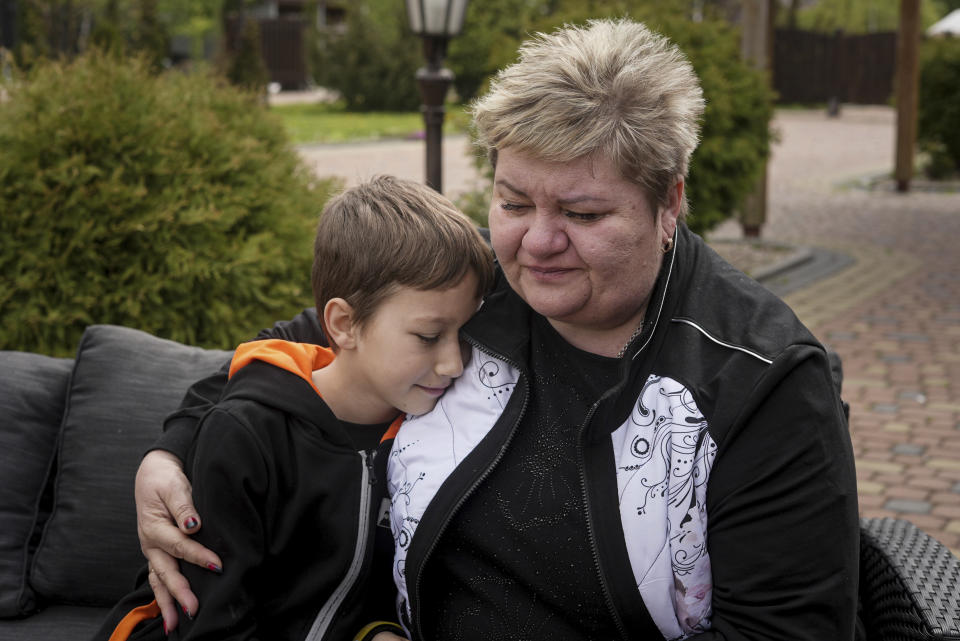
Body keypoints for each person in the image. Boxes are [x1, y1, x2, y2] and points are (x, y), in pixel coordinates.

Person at [134, 18, 860, 641]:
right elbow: (298, 351)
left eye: (582, 215)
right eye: (513, 202)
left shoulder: (761, 380)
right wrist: (170, 452)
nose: (535, 245)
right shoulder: (478, 286)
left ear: (669, 203)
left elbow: (782, 628)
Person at [93, 175, 495, 640]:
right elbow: (213, 622)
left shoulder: (423, 437)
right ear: (343, 324)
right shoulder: (247, 435)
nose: (453, 363)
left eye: (465, 335)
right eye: (429, 337)